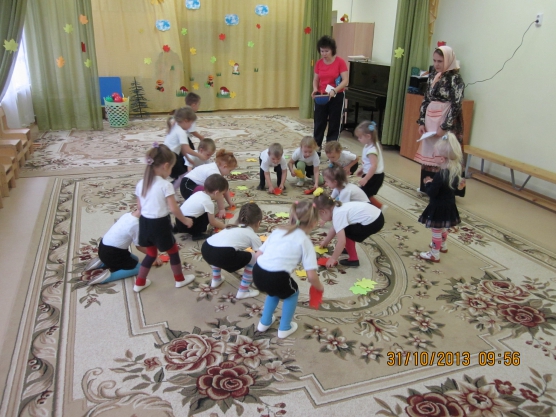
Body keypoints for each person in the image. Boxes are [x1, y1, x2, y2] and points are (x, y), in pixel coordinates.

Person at [254, 201, 324, 338]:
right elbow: (311, 276)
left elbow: (257, 255)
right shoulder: (305, 241)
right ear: (314, 223)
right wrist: (319, 287)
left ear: (291, 216)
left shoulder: (278, 231)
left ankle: (264, 322)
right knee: (292, 293)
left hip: (258, 272)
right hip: (277, 277)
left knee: (274, 291)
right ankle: (285, 328)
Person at [133, 143, 195, 292]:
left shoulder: (141, 183)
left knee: (151, 254)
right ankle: (179, 280)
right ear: (166, 166)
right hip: (160, 224)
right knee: (173, 251)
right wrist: (185, 220)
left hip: (144, 223)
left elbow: (139, 207)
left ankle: (139, 283)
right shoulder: (165, 185)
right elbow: (174, 208)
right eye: (172, 167)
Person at [415, 45, 465, 191]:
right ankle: (427, 186)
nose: (436, 64)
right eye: (434, 61)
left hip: (447, 120)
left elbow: (456, 105)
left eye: (440, 61)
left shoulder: (455, 79)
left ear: (448, 60)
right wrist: (422, 122)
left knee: (445, 152)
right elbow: (426, 99)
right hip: (431, 119)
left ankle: (447, 189)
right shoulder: (433, 76)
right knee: (430, 151)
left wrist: (445, 126)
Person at [418, 133, 466, 262]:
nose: (433, 156)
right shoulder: (455, 171)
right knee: (443, 228)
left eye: (434, 154)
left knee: (436, 230)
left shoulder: (440, 175)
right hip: (449, 205)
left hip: (438, 206)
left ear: (442, 159)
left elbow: (432, 193)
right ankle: (443, 246)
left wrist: (428, 184)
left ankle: (434, 254)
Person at [83, 209, 163, 285]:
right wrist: (154, 256)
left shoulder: (128, 215)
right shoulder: (137, 225)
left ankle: (102, 261)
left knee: (135, 259)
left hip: (103, 247)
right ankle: (107, 277)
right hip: (112, 253)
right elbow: (139, 247)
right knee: (138, 268)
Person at [201, 203, 263, 299]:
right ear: (258, 223)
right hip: (222, 254)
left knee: (217, 252)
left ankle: (216, 279)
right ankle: (243, 291)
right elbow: (260, 256)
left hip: (206, 248)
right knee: (254, 258)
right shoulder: (253, 236)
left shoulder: (231, 227)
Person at [314, 193, 384, 268]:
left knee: (347, 233)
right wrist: (325, 242)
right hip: (377, 215)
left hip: (374, 222)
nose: (321, 219)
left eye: (320, 216)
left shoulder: (338, 215)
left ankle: (353, 259)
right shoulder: (337, 207)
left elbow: (342, 241)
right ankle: (349, 249)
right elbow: (334, 228)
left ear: (323, 212)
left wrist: (333, 259)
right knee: (346, 229)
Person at [312, 35, 349, 150]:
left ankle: (331, 150)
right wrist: (315, 89)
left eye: (326, 51)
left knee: (334, 123)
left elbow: (345, 80)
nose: (324, 54)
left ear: (332, 50)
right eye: (322, 51)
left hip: (336, 95)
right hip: (322, 95)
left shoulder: (340, 62)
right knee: (319, 123)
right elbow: (316, 79)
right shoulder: (319, 63)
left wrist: (334, 90)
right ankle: (316, 149)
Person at [180, 149, 237, 218]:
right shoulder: (213, 172)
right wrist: (221, 209)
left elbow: (224, 187)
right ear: (224, 166)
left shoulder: (216, 168)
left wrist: (229, 201)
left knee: (212, 192)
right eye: (230, 170)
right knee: (210, 194)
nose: (229, 172)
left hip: (194, 185)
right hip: (187, 186)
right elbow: (219, 193)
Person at [174, 173, 228, 240]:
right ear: (216, 193)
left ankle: (177, 228)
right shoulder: (208, 203)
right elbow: (212, 222)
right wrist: (225, 226)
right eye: (222, 194)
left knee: (198, 210)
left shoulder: (198, 193)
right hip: (187, 224)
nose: (222, 196)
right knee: (207, 215)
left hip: (179, 220)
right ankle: (197, 234)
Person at [164, 107, 208, 188]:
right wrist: (199, 155)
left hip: (166, 153)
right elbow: (187, 149)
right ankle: (172, 190)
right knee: (183, 175)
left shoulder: (175, 125)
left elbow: (183, 148)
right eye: (191, 123)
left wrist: (188, 158)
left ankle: (172, 187)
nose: (191, 126)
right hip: (171, 156)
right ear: (185, 121)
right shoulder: (181, 132)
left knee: (180, 174)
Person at [354, 121, 386, 209]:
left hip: (374, 177)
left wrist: (366, 178)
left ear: (368, 136)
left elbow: (374, 166)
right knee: (365, 193)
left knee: (364, 194)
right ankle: (372, 207)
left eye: (360, 137)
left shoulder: (372, 150)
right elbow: (367, 162)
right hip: (371, 175)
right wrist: (362, 169)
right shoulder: (370, 145)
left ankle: (380, 207)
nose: (358, 139)